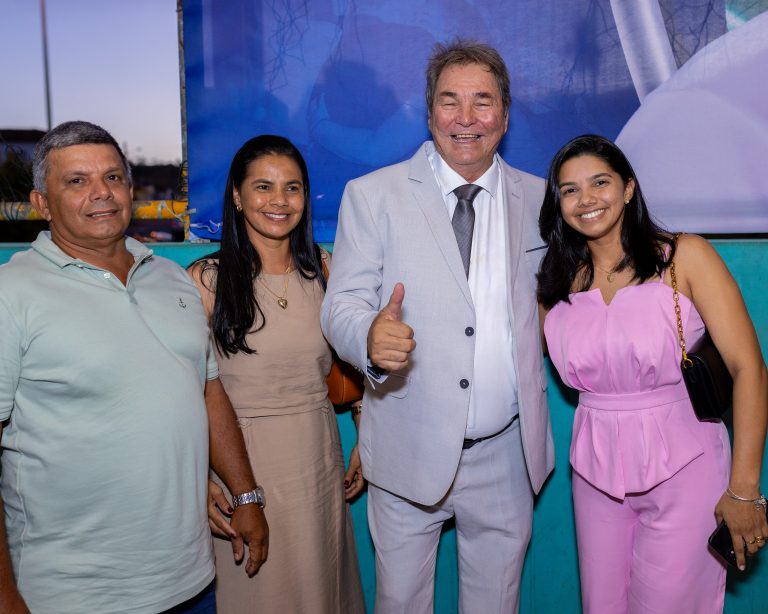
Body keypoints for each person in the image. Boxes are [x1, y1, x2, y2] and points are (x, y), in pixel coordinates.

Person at [321, 40, 554, 612]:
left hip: (507, 453)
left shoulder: (542, 199)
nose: (466, 118)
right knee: (400, 603)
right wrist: (368, 338)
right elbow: (341, 304)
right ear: (430, 113)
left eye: (483, 101)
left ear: (504, 115)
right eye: (450, 101)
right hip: (406, 448)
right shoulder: (372, 196)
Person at [0, 121, 268, 614]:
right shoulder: (11, 294)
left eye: (113, 177)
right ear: (41, 203)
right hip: (72, 593)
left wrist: (246, 496)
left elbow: (208, 391)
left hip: (190, 580)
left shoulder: (172, 279)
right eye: (76, 181)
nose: (101, 192)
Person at [537, 134, 768, 613]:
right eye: (570, 190)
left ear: (628, 189)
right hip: (595, 472)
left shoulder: (684, 257)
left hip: (686, 465)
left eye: (600, 182)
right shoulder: (557, 282)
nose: (586, 199)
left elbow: (749, 368)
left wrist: (745, 490)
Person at [188, 134, 365, 614]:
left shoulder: (325, 270)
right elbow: (186, 393)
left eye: (292, 188)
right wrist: (199, 478)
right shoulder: (205, 281)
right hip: (241, 463)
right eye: (263, 187)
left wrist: (364, 433)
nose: (279, 201)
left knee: (322, 589)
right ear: (237, 196)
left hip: (318, 456)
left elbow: (352, 367)